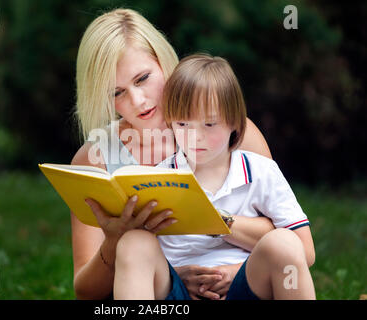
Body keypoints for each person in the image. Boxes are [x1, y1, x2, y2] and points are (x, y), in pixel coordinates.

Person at [71, 8, 275, 300]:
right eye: (116, 93)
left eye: (142, 79)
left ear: (164, 61)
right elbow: (86, 293)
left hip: (238, 286)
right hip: (160, 294)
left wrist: (232, 268)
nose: (138, 101)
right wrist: (113, 243)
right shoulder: (95, 158)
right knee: (136, 244)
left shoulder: (234, 133)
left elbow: (286, 239)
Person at [113, 54, 316, 300]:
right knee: (134, 242)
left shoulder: (261, 172)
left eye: (209, 125)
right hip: (179, 292)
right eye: (183, 125)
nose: (194, 137)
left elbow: (305, 251)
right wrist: (178, 274)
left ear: (234, 122)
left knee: (284, 242)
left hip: (244, 287)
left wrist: (233, 265)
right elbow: (149, 262)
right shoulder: (160, 178)